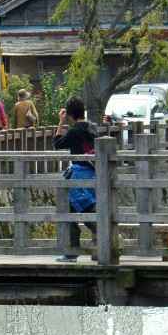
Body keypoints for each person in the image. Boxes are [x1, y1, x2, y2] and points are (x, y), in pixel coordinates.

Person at [54, 96, 98, 263]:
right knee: (82, 207)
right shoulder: (92, 127)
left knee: (75, 208)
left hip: (79, 174)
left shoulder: (74, 131)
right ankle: (101, 237)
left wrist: (60, 122)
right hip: (94, 172)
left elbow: (57, 144)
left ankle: (103, 235)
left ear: (70, 115)